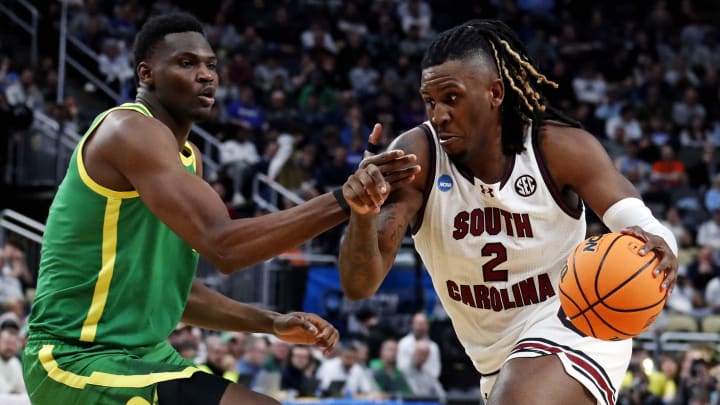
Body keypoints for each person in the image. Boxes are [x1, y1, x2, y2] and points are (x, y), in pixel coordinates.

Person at [22, 12, 418, 405]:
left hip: (144, 356)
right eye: (186, 63)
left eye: (211, 65)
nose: (206, 74)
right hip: (74, 357)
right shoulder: (127, 131)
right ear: (146, 74)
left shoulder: (190, 158)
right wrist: (343, 200)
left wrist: (271, 323)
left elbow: (177, 293)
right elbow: (225, 248)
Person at [338, 19, 678, 405]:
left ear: (495, 93)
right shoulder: (419, 158)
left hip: (575, 322)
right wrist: (361, 213)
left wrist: (662, 247)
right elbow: (358, 285)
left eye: (452, 98)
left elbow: (639, 222)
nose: (438, 114)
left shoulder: (558, 148)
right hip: (495, 364)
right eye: (429, 101)